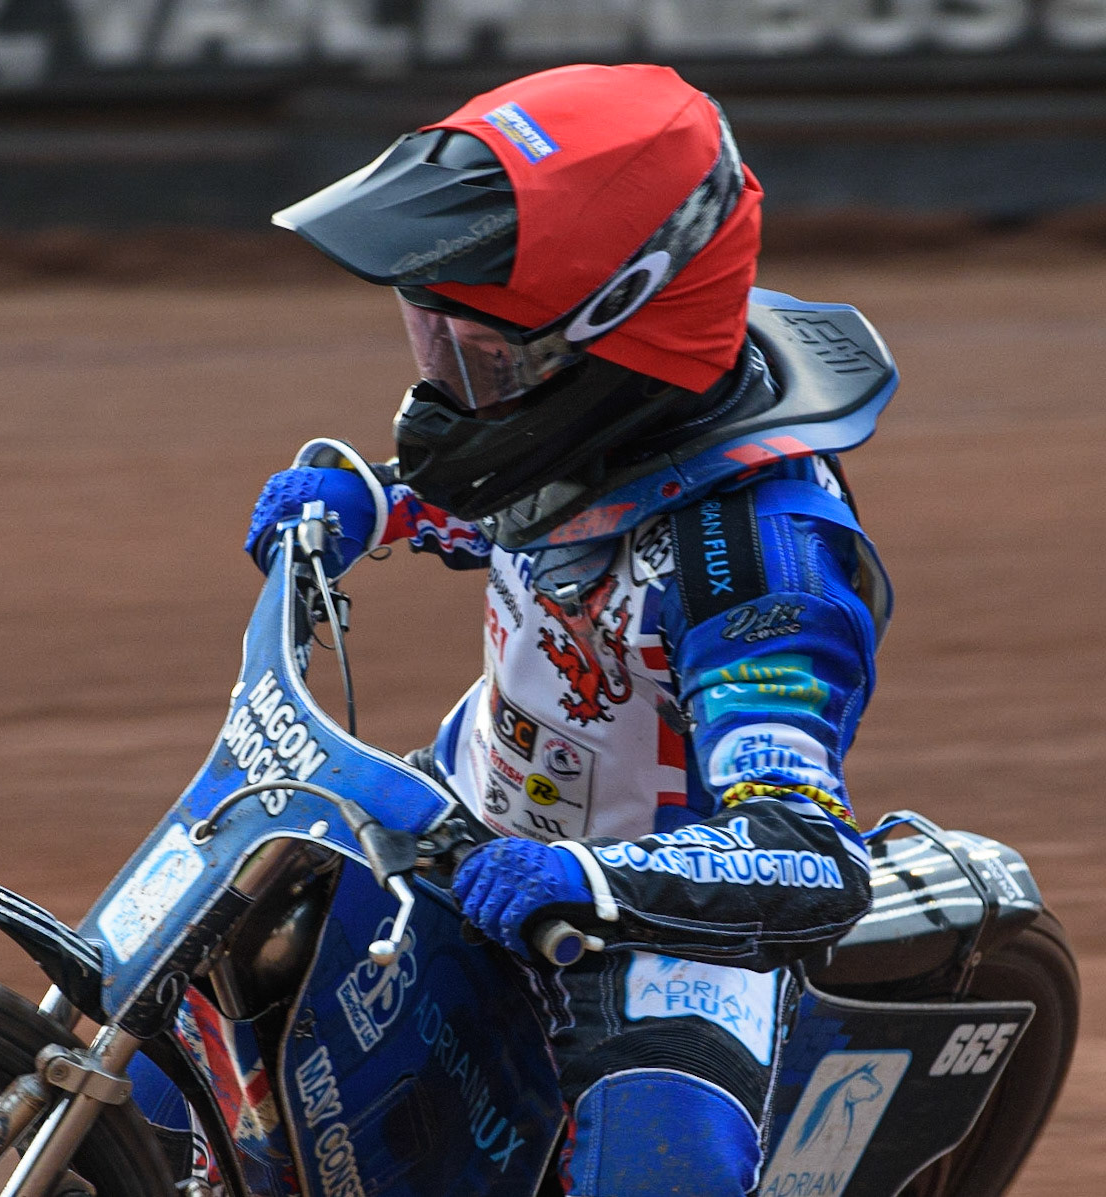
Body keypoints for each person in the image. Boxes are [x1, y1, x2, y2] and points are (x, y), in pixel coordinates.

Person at [194, 63, 896, 1196]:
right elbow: (523, 510)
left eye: (482, 358)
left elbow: (808, 854)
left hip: (658, 921)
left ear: (607, 345)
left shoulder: (762, 561)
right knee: (220, 975)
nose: (439, 381)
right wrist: (379, 501)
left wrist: (591, 878)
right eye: (431, 336)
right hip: (473, 818)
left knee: (661, 1173)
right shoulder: (590, 438)